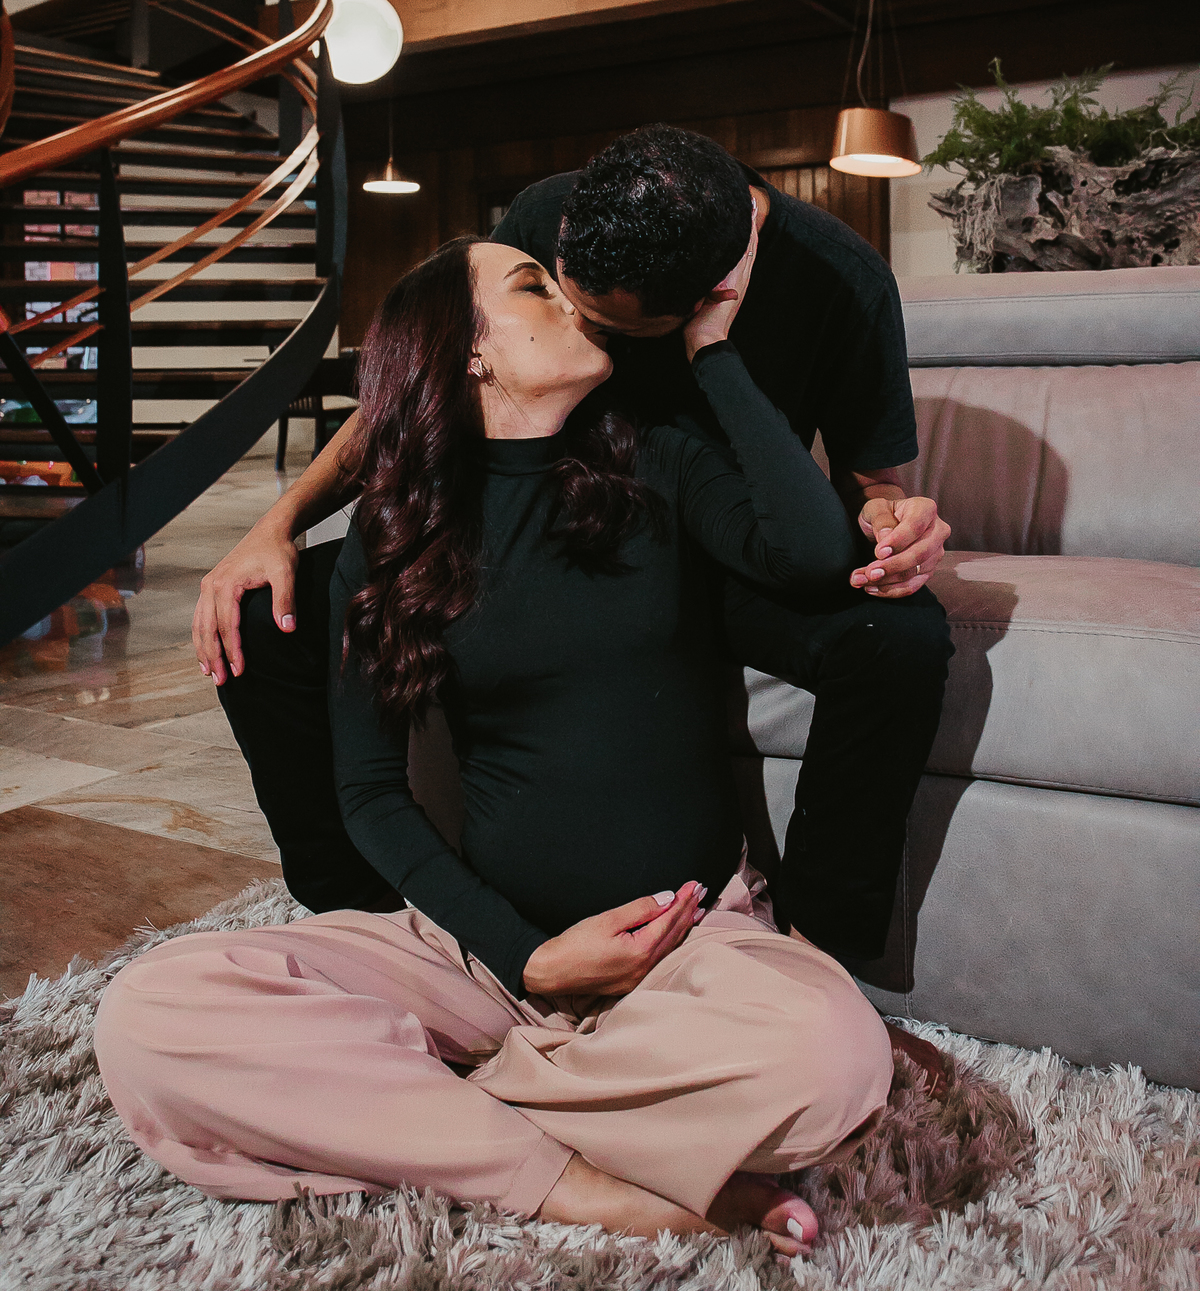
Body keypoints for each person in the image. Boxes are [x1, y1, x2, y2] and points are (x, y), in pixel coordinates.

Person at [97, 232, 894, 1260]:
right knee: (149, 1015)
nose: (571, 299)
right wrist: (529, 956)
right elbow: (370, 793)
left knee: (831, 1059)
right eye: (533, 286)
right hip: (475, 959)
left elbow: (816, 551)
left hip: (684, 946)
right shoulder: (395, 534)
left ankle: (443, 1103)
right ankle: (581, 1182)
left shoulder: (657, 456)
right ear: (468, 350)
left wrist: (710, 345)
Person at [193, 126, 953, 1071]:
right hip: (541, 508)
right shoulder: (558, 221)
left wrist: (891, 514)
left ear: (694, 305)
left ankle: (815, 956)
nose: (576, 318)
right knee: (264, 612)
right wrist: (280, 520)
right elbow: (426, 374)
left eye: (604, 320)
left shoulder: (843, 284)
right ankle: (369, 917)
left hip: (706, 532)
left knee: (897, 629)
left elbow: (871, 488)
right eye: (552, 289)